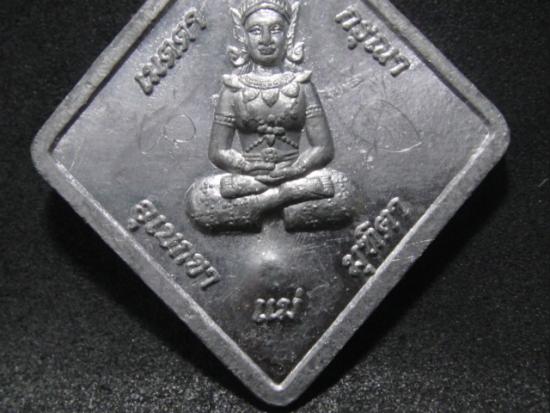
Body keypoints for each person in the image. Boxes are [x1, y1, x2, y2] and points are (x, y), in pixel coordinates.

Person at [186, 0, 356, 232]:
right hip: (250, 180)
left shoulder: (302, 85)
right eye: (256, 31)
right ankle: (284, 200)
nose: (266, 39)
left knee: (344, 189)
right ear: (243, 37)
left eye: (275, 29)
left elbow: (323, 148)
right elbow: (218, 151)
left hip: (294, 175)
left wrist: (296, 169)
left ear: (288, 36)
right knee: (201, 197)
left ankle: (262, 206)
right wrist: (247, 168)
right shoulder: (233, 89)